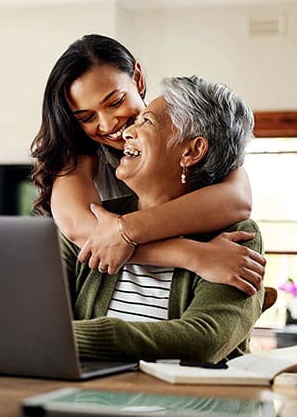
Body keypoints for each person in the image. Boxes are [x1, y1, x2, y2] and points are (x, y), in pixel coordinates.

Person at [30, 34, 261, 295]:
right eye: (86, 117)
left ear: (138, 78)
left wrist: (126, 230)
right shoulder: (79, 157)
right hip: (116, 287)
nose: (108, 125)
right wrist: (194, 256)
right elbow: (84, 231)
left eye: (115, 102)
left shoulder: (181, 123)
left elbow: (237, 199)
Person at [60, 75, 265, 362]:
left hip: (190, 406)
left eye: (147, 122)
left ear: (192, 151)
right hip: (85, 399)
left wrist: (64, 338)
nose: (125, 132)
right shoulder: (97, 222)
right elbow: (37, 319)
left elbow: (205, 339)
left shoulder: (240, 237)